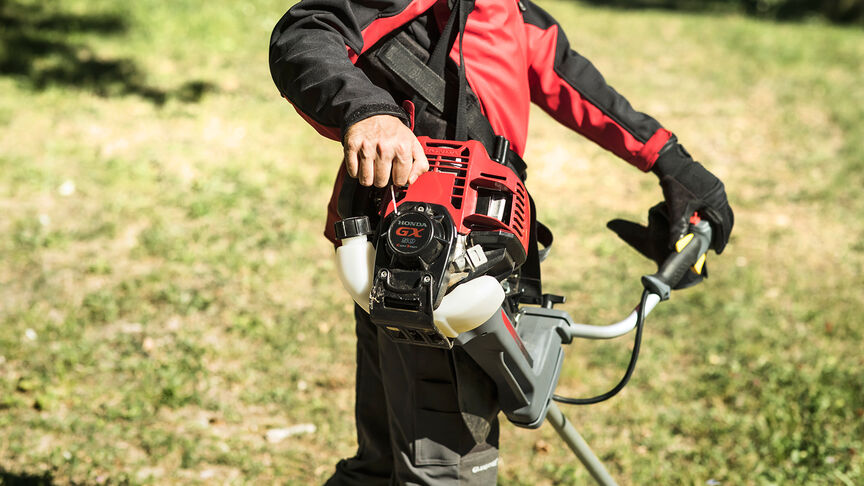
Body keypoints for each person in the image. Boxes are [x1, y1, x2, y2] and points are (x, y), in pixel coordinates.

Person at [269, 0, 734, 484]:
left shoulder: (509, 9)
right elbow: (306, 32)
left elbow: (571, 80)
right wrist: (368, 113)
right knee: (446, 474)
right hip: (422, 259)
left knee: (384, 465)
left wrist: (672, 163)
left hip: (458, 251)